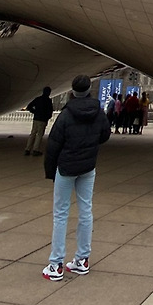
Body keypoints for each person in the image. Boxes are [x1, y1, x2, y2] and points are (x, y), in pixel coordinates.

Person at [42, 75, 111, 280]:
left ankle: (56, 264)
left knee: (61, 213)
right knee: (86, 210)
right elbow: (105, 134)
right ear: (89, 90)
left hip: (66, 168)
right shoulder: (97, 111)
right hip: (88, 167)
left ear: (72, 91)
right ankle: (82, 259)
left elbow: (53, 145)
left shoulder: (66, 114)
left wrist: (50, 171)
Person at [25, 86, 54, 156]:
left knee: (33, 133)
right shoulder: (48, 101)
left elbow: (29, 106)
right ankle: (35, 149)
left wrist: (35, 112)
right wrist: (47, 117)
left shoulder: (38, 99)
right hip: (43, 119)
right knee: (39, 135)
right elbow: (50, 111)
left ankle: (27, 149)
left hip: (36, 118)